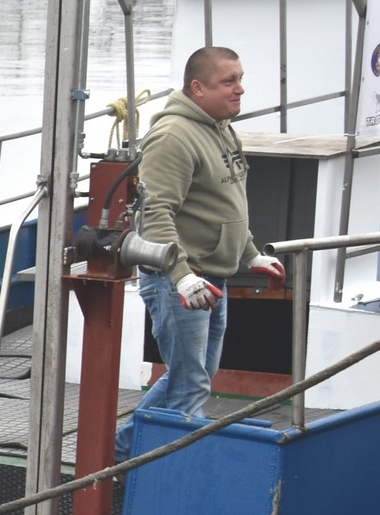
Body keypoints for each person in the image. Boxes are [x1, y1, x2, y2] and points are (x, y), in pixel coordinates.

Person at [114, 46, 286, 462]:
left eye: (240, 78)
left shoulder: (221, 126)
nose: (240, 89)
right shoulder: (174, 136)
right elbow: (156, 214)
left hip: (211, 278)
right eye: (229, 81)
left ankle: (123, 450)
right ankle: (160, 464)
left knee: (194, 376)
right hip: (181, 283)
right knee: (191, 382)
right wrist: (181, 275)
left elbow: (229, 199)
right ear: (197, 87)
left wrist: (249, 254)